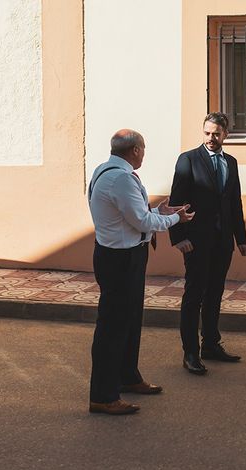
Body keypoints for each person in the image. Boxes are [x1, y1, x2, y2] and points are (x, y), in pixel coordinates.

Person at [88, 129, 193, 415]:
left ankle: (127, 377)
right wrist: (174, 218)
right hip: (120, 259)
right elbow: (141, 221)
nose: (145, 153)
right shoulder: (120, 177)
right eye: (143, 148)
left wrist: (159, 212)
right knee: (113, 326)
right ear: (135, 150)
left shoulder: (105, 170)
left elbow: (133, 216)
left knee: (130, 320)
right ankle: (103, 395)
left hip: (121, 254)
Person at [169, 113, 246, 375]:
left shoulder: (231, 162)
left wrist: (241, 238)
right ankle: (190, 352)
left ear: (226, 134)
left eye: (216, 133)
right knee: (194, 295)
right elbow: (177, 199)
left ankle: (211, 345)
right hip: (196, 241)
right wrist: (179, 237)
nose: (211, 138)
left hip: (222, 240)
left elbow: (234, 202)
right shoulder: (189, 159)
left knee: (215, 294)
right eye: (207, 133)